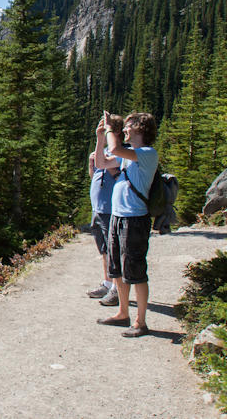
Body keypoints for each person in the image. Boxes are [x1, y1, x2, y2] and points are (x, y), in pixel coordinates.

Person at [94, 112, 158, 338]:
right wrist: (100, 137)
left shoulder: (147, 153)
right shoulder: (128, 155)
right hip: (118, 216)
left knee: (136, 271)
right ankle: (123, 313)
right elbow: (101, 163)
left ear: (141, 128)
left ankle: (141, 322)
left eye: (128, 127)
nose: (124, 130)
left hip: (134, 219)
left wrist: (110, 130)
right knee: (118, 269)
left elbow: (115, 149)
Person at [86, 115, 124, 306]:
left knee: (114, 250)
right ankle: (107, 283)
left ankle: (117, 289)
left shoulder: (122, 153)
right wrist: (92, 162)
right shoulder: (104, 152)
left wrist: (101, 149)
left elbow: (114, 173)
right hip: (98, 208)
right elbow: (94, 175)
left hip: (111, 209)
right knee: (104, 249)